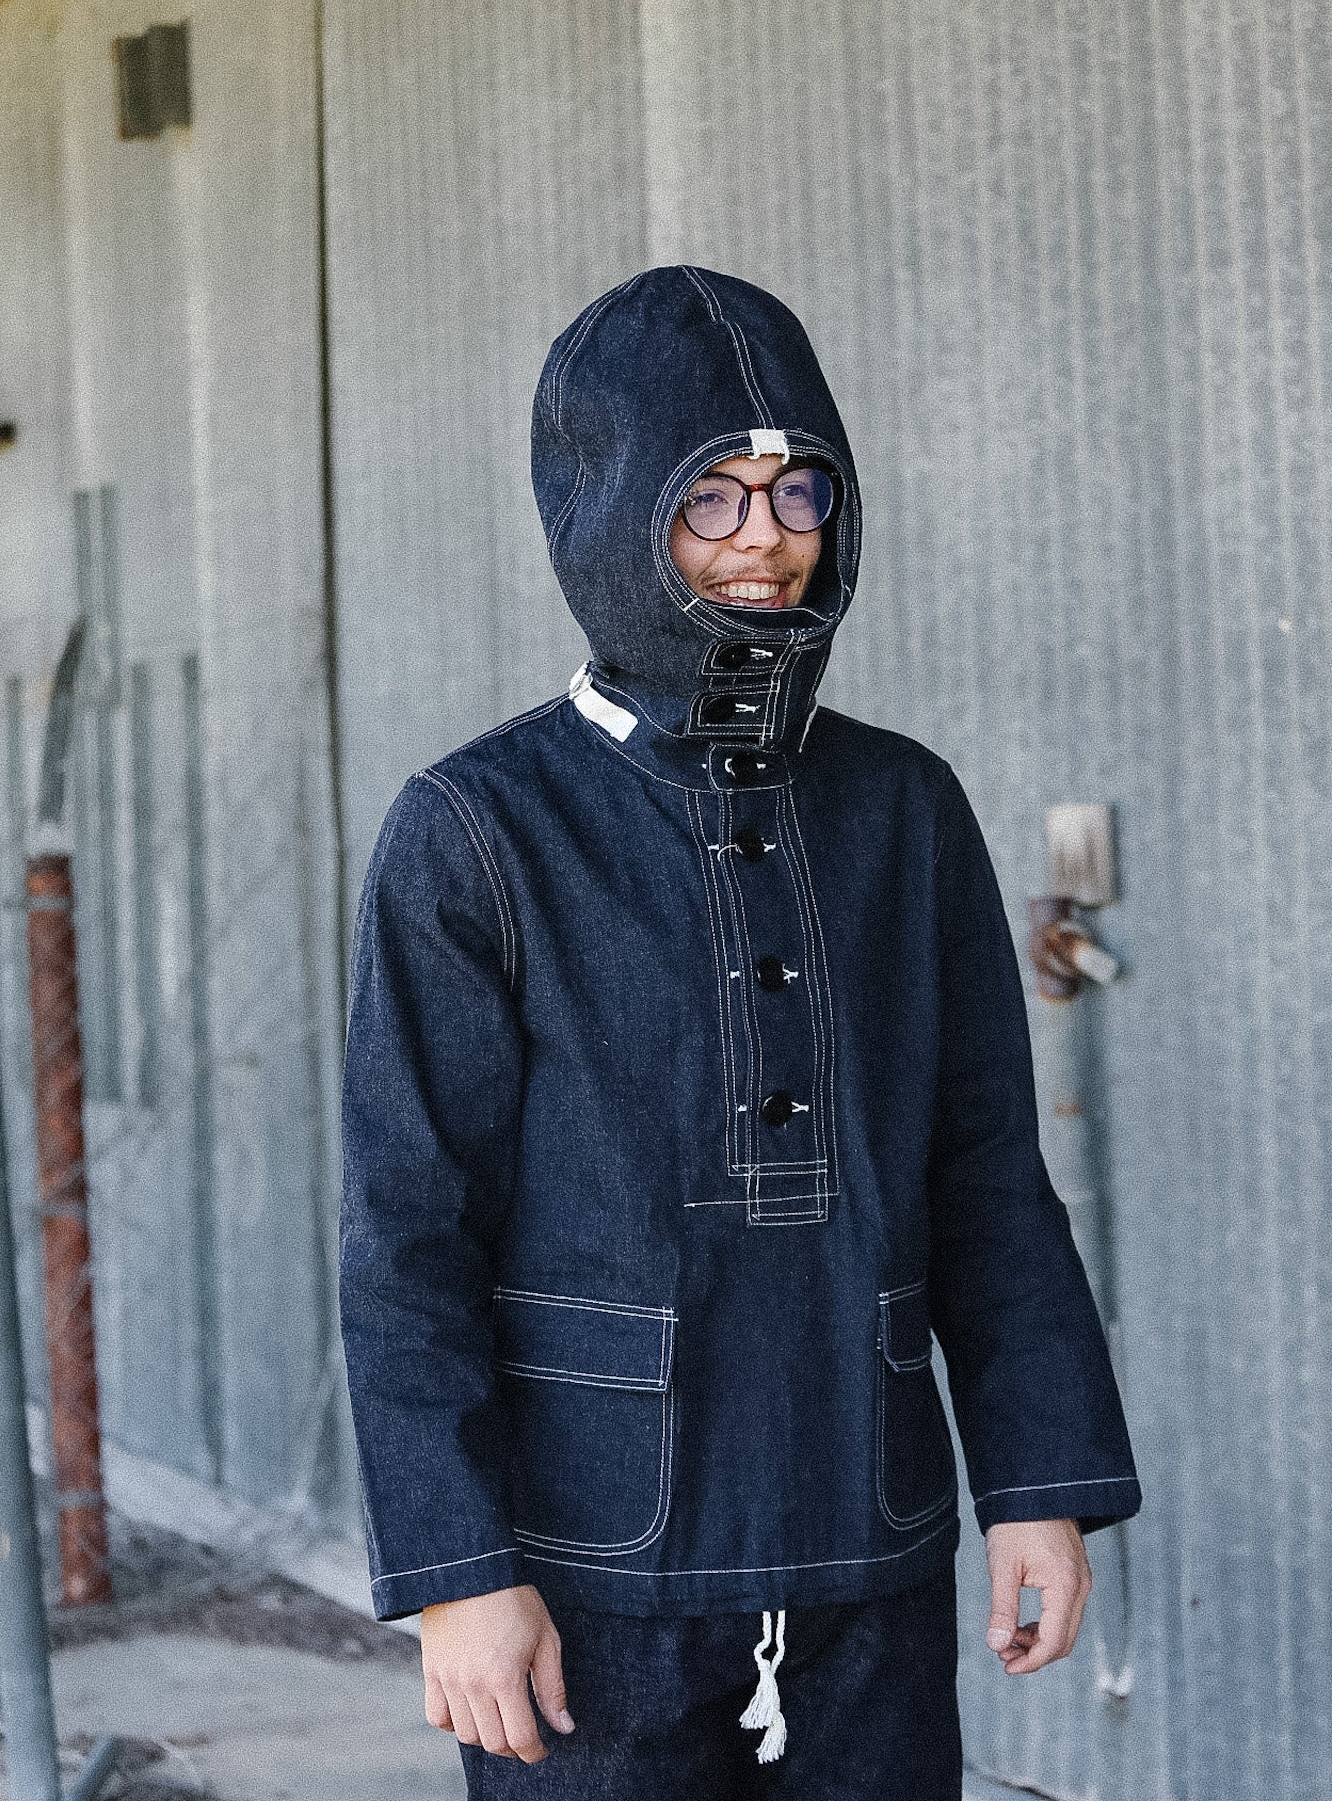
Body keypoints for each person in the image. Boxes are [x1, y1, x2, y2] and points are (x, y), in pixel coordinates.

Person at [339, 267, 1141, 1797]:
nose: (764, 539)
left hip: (867, 1536)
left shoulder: (903, 808)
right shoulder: (478, 829)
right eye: (706, 498)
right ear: (607, 515)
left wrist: (1036, 1485)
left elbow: (985, 1176)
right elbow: (406, 1235)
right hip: (587, 1576)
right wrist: (456, 1574)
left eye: (796, 490)